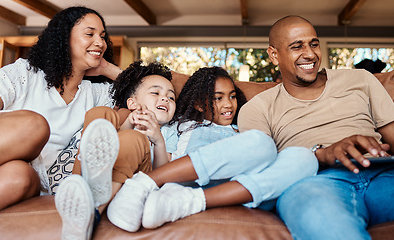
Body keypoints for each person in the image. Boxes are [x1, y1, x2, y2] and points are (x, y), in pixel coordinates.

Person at [238, 15, 394, 239]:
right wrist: (322, 154)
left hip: (384, 177)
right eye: (297, 46)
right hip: (316, 184)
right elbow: (260, 173)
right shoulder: (256, 109)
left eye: (314, 43)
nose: (310, 54)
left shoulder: (361, 79)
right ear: (274, 55)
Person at [106, 66, 318, 232]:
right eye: (218, 98)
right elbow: (158, 157)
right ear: (198, 104)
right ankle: (156, 191)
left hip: (244, 191)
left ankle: (186, 203)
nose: (229, 104)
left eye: (233, 96)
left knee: (305, 158)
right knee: (261, 143)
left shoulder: (242, 128)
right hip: (192, 181)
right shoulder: (183, 126)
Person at [0, 6, 122, 217]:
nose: (100, 42)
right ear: (63, 38)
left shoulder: (98, 95)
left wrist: (108, 69)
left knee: (22, 176)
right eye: (90, 34)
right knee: (34, 126)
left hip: (30, 177)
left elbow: (144, 94)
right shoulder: (26, 74)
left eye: (103, 36)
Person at [55, 60, 177, 240]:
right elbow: (111, 143)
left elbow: (163, 173)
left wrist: (158, 140)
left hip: (138, 182)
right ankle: (77, 184)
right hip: (100, 173)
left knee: (134, 138)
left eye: (171, 97)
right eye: (155, 92)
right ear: (133, 103)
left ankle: (91, 211)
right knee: (100, 114)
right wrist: (129, 122)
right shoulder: (123, 117)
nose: (165, 98)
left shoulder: (171, 132)